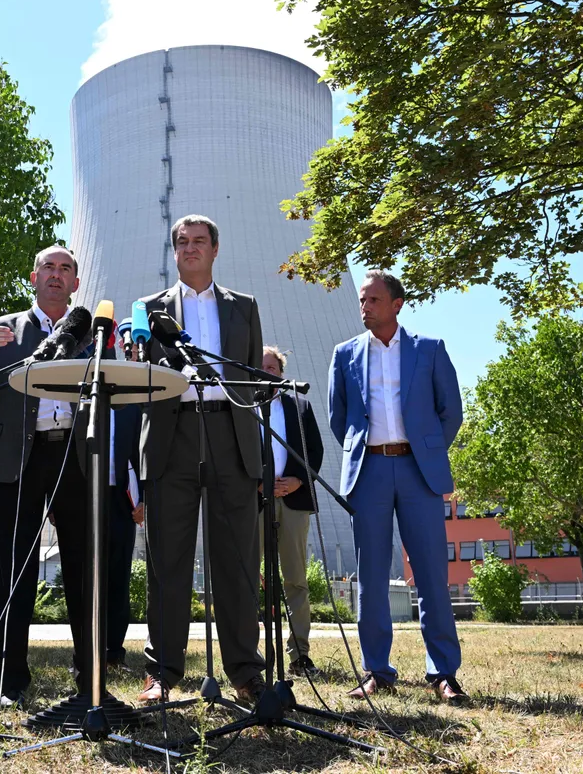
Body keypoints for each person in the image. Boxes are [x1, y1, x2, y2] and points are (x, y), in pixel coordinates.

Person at [133, 215, 267, 706]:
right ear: (174, 252)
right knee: (167, 562)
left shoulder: (243, 308)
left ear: (215, 249)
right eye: (181, 243)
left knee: (236, 561)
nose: (190, 249)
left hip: (229, 434)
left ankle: (246, 672)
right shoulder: (150, 309)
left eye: (199, 242)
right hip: (173, 436)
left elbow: (251, 382)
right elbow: (140, 377)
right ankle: (162, 673)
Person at [0, 245, 91, 708]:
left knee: (81, 568)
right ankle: (12, 677)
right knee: (16, 570)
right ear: (32, 278)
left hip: (75, 456)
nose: (56, 276)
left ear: (76, 282)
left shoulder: (92, 333)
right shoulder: (5, 330)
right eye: (48, 268)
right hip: (17, 460)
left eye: (65, 269)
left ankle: (88, 676)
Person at [328, 269, 467, 703]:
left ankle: (442, 673)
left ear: (396, 304)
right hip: (369, 471)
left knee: (430, 574)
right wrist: (363, 450)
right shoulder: (345, 353)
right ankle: (377, 671)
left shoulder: (429, 350)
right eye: (362, 300)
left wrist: (425, 449)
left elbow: (452, 411)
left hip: (417, 473)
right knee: (370, 575)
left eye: (372, 300)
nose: (364, 307)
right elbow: (339, 416)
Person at [256, 345, 325, 678]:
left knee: (295, 579)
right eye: (261, 367)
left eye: (273, 368)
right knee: (248, 580)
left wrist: (298, 481)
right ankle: (254, 655)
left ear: (281, 373)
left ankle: (299, 653)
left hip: (293, 501)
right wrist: (254, 483)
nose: (267, 373)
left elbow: (316, 451)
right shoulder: (242, 407)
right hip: (255, 502)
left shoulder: (299, 405)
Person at [104, 402, 144, 669]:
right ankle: (85, 654)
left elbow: (145, 456)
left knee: (119, 579)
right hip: (85, 498)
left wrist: (146, 500)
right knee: (85, 581)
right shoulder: (80, 402)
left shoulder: (133, 408)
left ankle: (114, 654)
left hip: (123, 501)